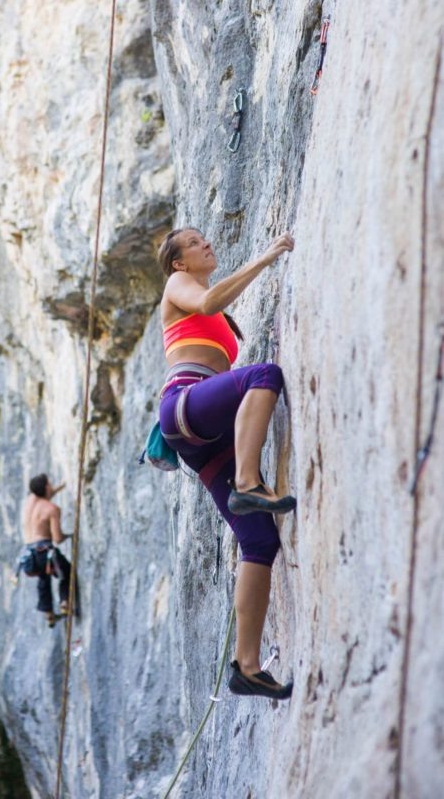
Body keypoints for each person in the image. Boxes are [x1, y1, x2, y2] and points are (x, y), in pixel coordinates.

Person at [157, 227, 296, 699]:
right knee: (263, 374)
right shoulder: (177, 287)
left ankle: (248, 666)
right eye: (195, 243)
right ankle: (247, 479)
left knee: (258, 540)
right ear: (178, 263)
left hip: (203, 434)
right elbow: (211, 302)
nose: (206, 244)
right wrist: (268, 255)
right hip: (183, 405)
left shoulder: (204, 299)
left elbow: (215, 304)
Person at [22, 474, 72, 628]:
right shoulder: (52, 509)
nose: (52, 486)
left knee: (43, 578)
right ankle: (65, 602)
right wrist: (69, 535)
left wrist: (61, 486)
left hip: (29, 555)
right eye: (50, 484)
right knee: (67, 572)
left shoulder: (29, 502)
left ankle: (48, 613)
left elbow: (45, 494)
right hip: (45, 551)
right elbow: (57, 538)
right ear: (45, 488)